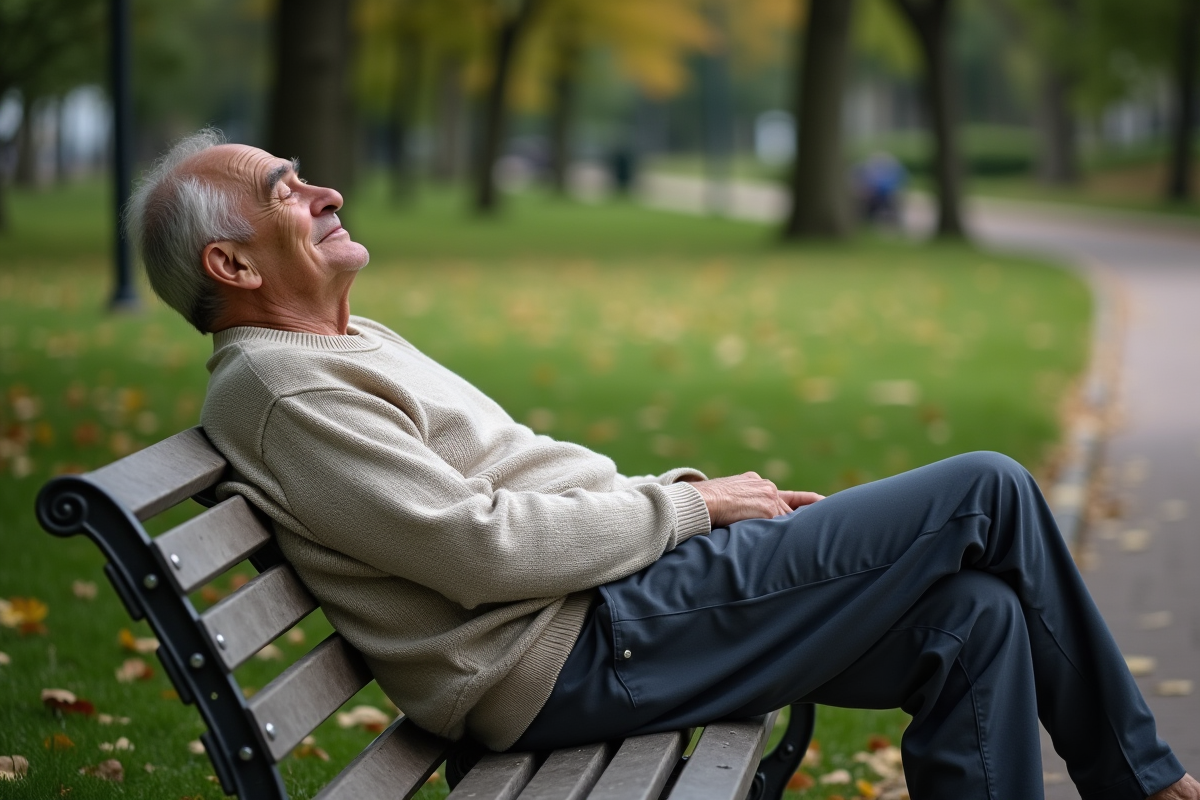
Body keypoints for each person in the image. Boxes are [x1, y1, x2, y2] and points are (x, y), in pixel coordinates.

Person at [126, 129, 1197, 800]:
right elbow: (476, 547)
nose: (323, 191)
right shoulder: (279, 389)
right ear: (231, 263)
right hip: (576, 649)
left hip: (616, 611)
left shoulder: (340, 345)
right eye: (286, 191)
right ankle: (1144, 782)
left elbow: (512, 494)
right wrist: (689, 511)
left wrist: (681, 498)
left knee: (975, 617)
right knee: (987, 489)